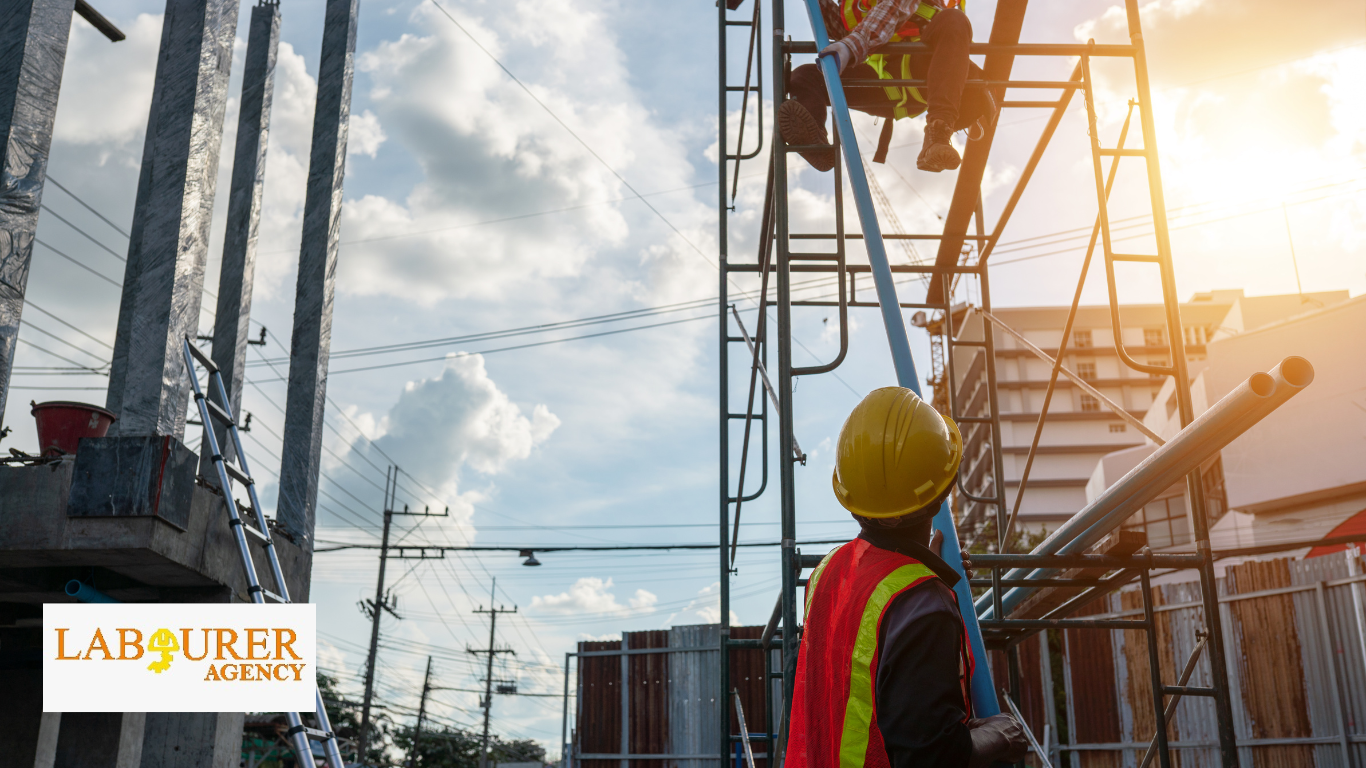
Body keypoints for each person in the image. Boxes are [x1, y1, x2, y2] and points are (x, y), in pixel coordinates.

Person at [785, 387, 1029, 768]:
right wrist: (999, 735)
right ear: (942, 491)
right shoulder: (925, 607)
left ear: (851, 500)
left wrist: (921, 570)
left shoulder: (827, 572)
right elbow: (931, 757)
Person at [779, 0, 998, 173]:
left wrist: (850, 47)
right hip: (883, 83)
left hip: (928, 72)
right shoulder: (853, 5)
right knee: (805, 77)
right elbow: (837, 26)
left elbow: (896, 6)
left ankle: (938, 133)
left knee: (954, 19)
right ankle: (815, 142)